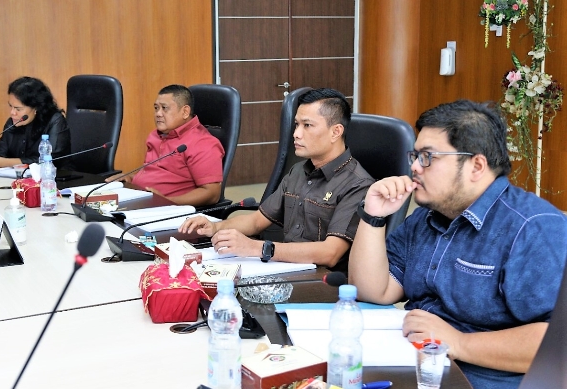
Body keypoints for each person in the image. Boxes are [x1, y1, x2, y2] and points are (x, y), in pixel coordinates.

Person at [348, 100, 567, 389]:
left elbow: (558, 345)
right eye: (415, 156)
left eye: (428, 157)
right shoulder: (425, 218)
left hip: (476, 379)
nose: (414, 166)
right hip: (414, 366)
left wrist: (458, 342)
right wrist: (373, 215)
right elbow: (372, 291)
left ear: (476, 165)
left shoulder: (534, 228)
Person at [180, 88, 373, 270]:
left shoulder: (357, 184)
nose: (296, 134)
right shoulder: (298, 171)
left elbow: (331, 253)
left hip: (325, 283)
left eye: (307, 125)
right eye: (297, 124)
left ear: (336, 132)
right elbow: (257, 221)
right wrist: (215, 227)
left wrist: (258, 248)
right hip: (286, 267)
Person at [106, 84, 224, 206]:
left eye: (164, 108)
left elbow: (212, 194)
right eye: (156, 108)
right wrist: (130, 177)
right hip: (138, 199)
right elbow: (155, 171)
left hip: (166, 211)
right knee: (92, 206)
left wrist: (166, 201)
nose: (158, 114)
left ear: (185, 112)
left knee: (102, 220)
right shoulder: (156, 135)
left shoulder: (203, 144)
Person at [0, 76, 72, 170]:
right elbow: (1, 155)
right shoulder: (12, 123)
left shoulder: (55, 121)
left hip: (56, 179)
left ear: (36, 108)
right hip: (19, 180)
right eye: (11, 106)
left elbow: (53, 160)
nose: (12, 113)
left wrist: (8, 163)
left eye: (18, 109)